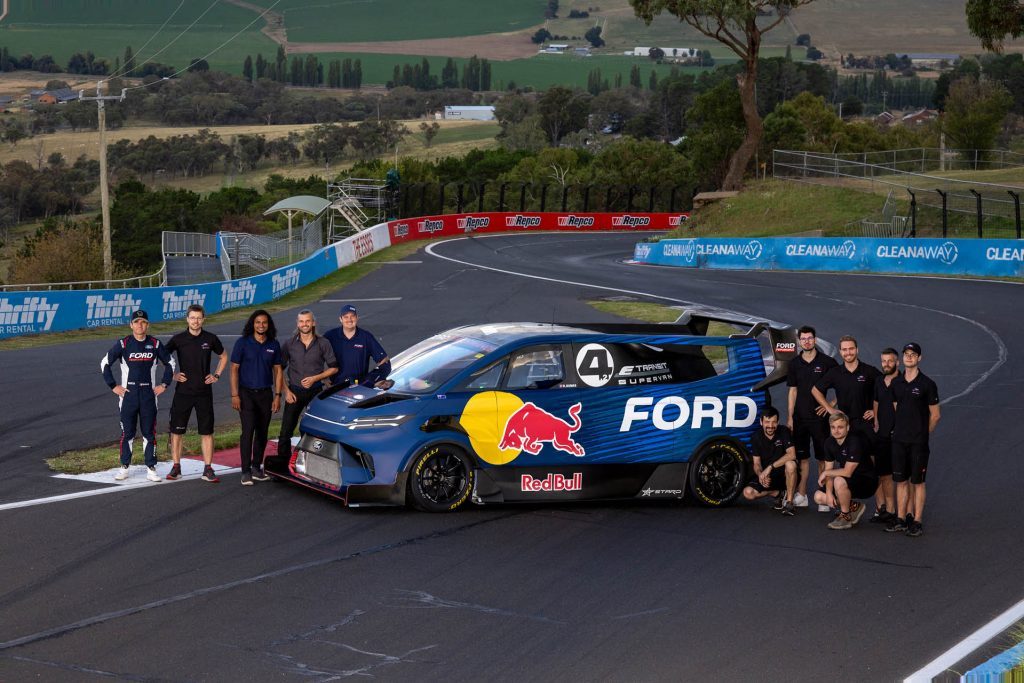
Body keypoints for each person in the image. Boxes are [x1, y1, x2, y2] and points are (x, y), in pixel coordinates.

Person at [100, 309, 175, 482]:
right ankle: (124, 466)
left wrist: (164, 384)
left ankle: (151, 467)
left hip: (149, 395)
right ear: (131, 325)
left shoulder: (155, 344)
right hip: (128, 395)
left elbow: (170, 362)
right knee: (127, 433)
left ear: (147, 325)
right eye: (136, 322)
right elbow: (104, 363)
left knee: (149, 432)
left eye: (143, 322)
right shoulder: (123, 344)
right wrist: (113, 386)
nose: (140, 325)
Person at [164, 304, 227, 483]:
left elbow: (223, 356)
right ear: (187, 319)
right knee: (177, 432)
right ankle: (176, 466)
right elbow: (163, 356)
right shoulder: (178, 339)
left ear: (203, 319)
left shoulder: (211, 338)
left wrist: (216, 375)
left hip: (204, 393)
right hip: (183, 392)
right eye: (192, 318)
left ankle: (208, 468)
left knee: (207, 432)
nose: (195, 321)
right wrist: (173, 375)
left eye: (199, 318)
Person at [887, 342, 940, 537]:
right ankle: (901, 518)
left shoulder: (927, 384)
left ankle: (916, 520)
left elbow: (935, 415)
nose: (910, 357)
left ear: (919, 358)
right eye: (907, 354)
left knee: (918, 482)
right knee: (900, 480)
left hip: (918, 443)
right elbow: (896, 407)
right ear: (902, 358)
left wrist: (922, 434)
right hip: (899, 440)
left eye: (913, 354)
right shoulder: (896, 383)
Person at [786, 325, 838, 511]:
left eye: (810, 338)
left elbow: (843, 383)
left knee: (823, 459)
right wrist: (790, 416)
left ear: (815, 339)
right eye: (804, 338)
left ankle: (823, 494)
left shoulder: (827, 362)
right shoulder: (794, 364)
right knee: (803, 459)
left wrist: (830, 406)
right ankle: (802, 495)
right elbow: (792, 391)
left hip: (820, 421)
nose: (807, 341)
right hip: (800, 419)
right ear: (800, 341)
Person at [230, 310, 284, 486]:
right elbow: (234, 370)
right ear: (252, 324)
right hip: (245, 394)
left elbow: (278, 371)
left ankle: (256, 467)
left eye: (264, 322)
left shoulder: (274, 344)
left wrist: (277, 395)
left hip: (266, 394)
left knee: (262, 432)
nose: (261, 325)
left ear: (269, 325)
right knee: (248, 432)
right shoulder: (242, 343)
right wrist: (234, 394)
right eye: (258, 322)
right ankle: (245, 471)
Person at [276, 310, 338, 461]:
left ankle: (312, 462)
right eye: (302, 321)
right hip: (294, 392)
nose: (305, 324)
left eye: (308, 321)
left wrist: (316, 378)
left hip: (316, 392)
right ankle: (283, 463)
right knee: (286, 431)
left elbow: (334, 368)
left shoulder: (323, 343)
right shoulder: (289, 344)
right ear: (298, 324)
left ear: (313, 323)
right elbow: (278, 369)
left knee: (314, 430)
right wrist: (286, 391)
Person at [814, 412, 878, 530]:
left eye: (840, 427)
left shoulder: (855, 441)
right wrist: (828, 493)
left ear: (847, 427)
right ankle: (853, 506)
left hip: (866, 481)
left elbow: (847, 472)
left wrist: (826, 473)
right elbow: (828, 469)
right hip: (848, 480)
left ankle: (845, 517)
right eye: (833, 427)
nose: (836, 431)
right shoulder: (829, 442)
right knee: (818, 497)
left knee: (838, 480)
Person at [742, 407, 799, 516]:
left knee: (791, 464)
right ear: (761, 422)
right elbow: (757, 463)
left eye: (774, 422)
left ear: (778, 422)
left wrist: (770, 467)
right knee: (748, 493)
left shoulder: (784, 431)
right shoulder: (756, 437)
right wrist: (760, 475)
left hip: (784, 474)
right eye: (767, 422)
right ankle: (778, 493)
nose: (770, 425)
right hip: (768, 476)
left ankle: (789, 503)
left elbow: (792, 454)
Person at [323, 304, 390, 388]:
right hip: (336, 387)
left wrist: (373, 380)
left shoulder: (366, 337)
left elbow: (385, 360)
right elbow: (315, 357)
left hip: (359, 387)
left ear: (357, 317)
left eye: (352, 316)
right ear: (340, 319)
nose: (349, 320)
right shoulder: (330, 336)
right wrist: (323, 378)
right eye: (346, 317)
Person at [870, 347, 900, 523]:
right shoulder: (879, 381)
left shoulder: (903, 381)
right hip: (881, 435)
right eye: (883, 361)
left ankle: (894, 510)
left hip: (898, 436)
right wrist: (875, 420)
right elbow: (876, 401)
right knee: (881, 473)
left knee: (896, 476)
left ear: (897, 362)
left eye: (890, 361)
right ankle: (883, 510)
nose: (886, 364)